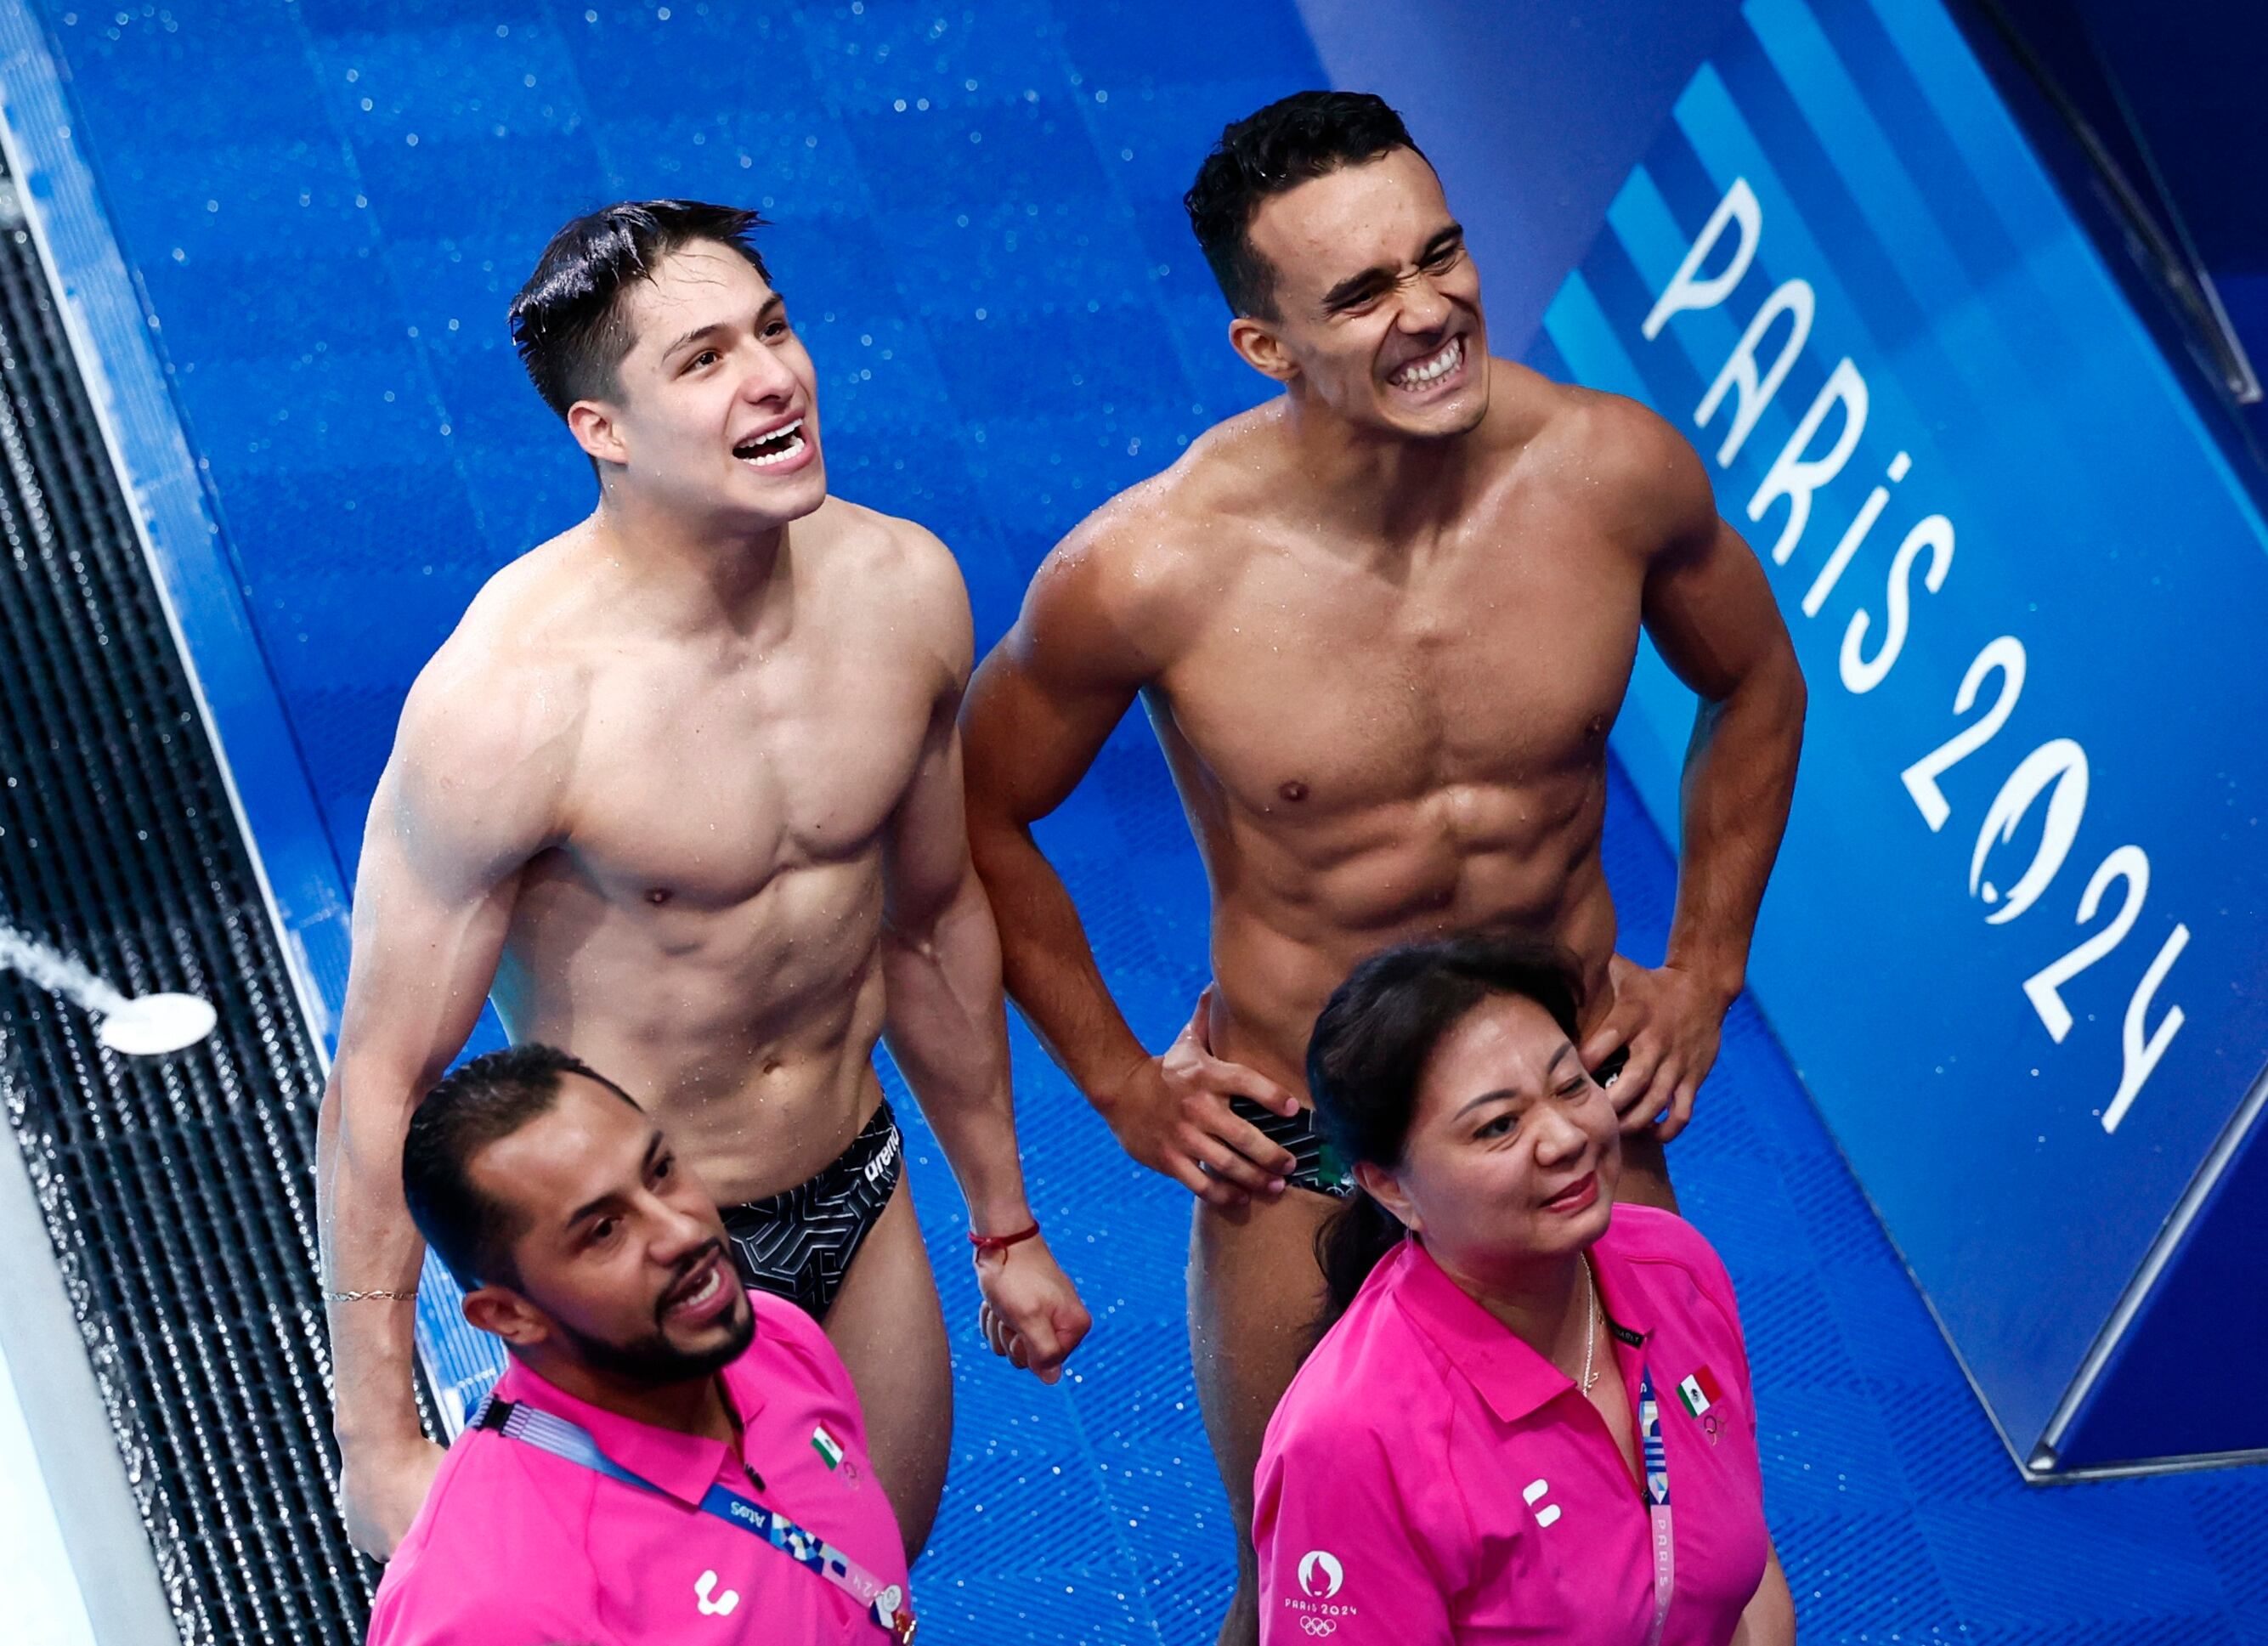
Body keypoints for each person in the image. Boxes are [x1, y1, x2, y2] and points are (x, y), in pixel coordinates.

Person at [959, 91, 1803, 1638]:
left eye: (1439, 255)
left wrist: (1702, 966)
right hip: (1305, 1144)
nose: (1428, 315)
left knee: (1683, 1565)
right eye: (1359, 294)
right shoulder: (1149, 569)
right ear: (1262, 346)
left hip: (1565, 1114)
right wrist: (1121, 1087)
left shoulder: (1610, 473)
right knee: (1290, 1589)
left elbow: (1753, 681)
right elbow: (978, 811)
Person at [318, 199, 1089, 1563]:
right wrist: (378, 1432)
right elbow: (383, 1076)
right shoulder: (509, 705)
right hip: (633, 1265)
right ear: (599, 430)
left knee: (872, 1600)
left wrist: (1003, 1218)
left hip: (858, 1198)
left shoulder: (906, 588)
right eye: (702, 359)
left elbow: (928, 920)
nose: (772, 376)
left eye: (773, 328)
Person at [1253, 930, 1795, 1645]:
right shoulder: (1350, 1440)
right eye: (1499, 1126)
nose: (1564, 1138)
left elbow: (1747, 1577)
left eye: (1571, 1086)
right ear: (1391, 1188)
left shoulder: (1676, 1269)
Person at [365, 1044, 915, 1645]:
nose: (682, 1230)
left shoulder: (776, 1338)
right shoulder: (493, 1608)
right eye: (604, 1231)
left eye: (660, 1170)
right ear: (508, 1314)